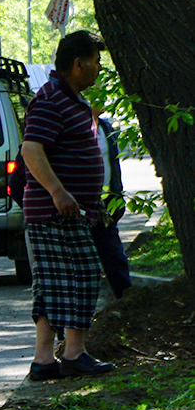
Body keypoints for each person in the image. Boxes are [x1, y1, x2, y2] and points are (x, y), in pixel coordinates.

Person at [20, 30, 117, 380]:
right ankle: (74, 353)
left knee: (51, 283)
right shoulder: (50, 99)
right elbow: (32, 150)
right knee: (84, 274)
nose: (99, 69)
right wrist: (59, 192)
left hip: (70, 210)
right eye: (95, 62)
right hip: (55, 211)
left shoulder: (69, 98)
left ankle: (43, 360)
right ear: (78, 64)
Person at [89, 111, 133, 298]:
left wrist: (118, 198)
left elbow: (113, 167)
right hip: (79, 205)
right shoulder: (71, 127)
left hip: (106, 204)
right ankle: (81, 319)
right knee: (83, 266)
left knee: (115, 258)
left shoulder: (106, 127)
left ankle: (127, 305)